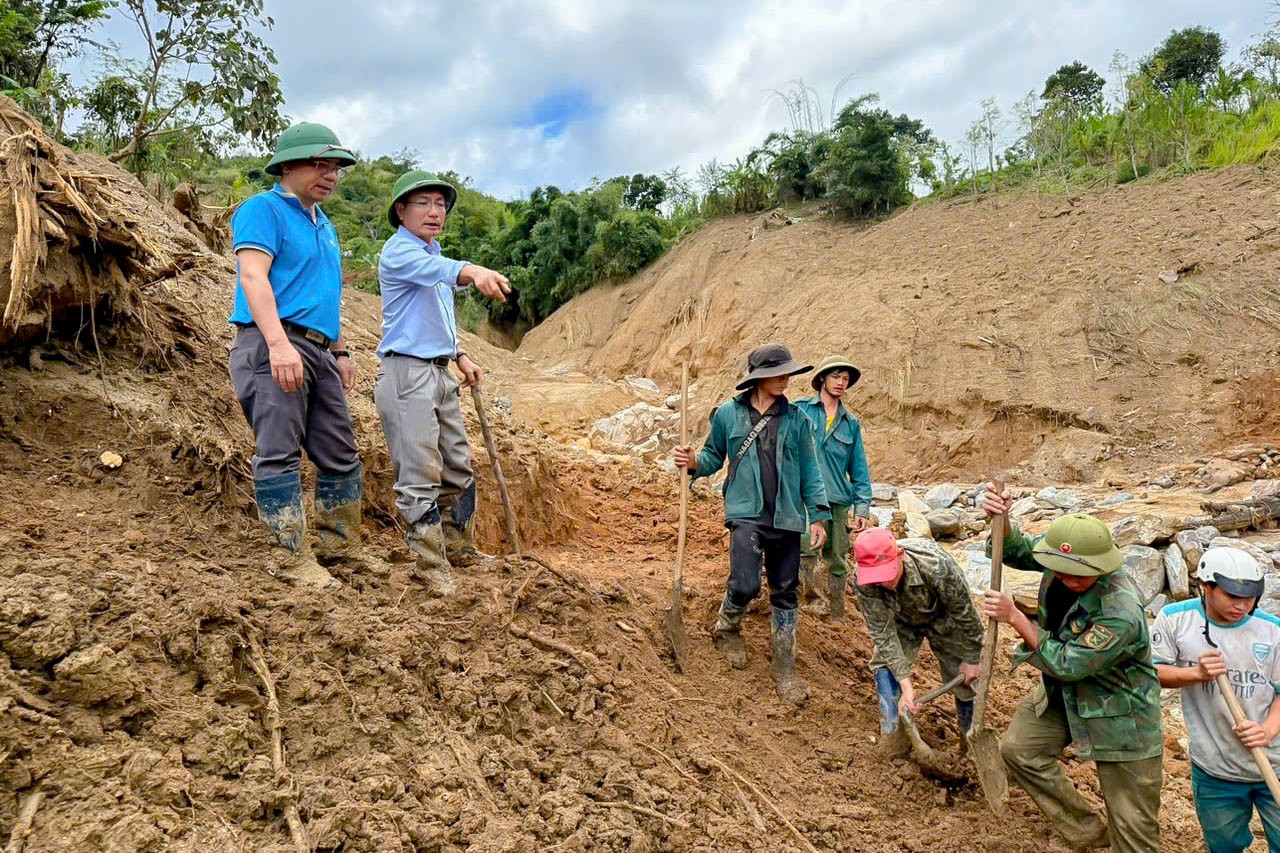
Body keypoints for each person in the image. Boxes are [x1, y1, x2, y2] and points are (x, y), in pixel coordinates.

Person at [980, 483, 1162, 853]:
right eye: (1059, 572)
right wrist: (1002, 519)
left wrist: (1015, 617)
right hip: (1064, 697)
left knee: (1134, 830)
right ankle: (1088, 834)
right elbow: (1015, 549)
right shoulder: (1065, 563)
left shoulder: (1120, 611)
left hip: (1120, 714)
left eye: (1078, 575)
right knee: (1020, 750)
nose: (1067, 579)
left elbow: (1067, 663)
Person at [228, 122, 364, 589]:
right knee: (279, 452)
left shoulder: (322, 224)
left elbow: (323, 295)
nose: (331, 175)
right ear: (288, 165)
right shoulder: (263, 210)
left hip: (319, 349)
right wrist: (278, 344)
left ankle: (339, 547)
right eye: (320, 165)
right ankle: (289, 559)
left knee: (340, 451)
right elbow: (253, 278)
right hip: (274, 343)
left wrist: (341, 351)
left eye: (336, 168)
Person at [375, 171, 511, 595]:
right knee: (418, 471)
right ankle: (429, 566)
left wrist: (459, 355)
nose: (435, 212)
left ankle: (458, 545)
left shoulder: (431, 253)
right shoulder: (400, 253)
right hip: (406, 374)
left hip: (438, 370)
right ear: (401, 211)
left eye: (440, 204)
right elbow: (444, 271)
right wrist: (474, 271)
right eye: (424, 204)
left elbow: (437, 315)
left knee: (457, 464)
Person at [672, 344, 830, 704]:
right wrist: (693, 461)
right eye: (779, 373)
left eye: (788, 373)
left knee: (785, 591)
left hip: (787, 518)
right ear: (758, 377)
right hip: (746, 513)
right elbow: (714, 455)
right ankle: (727, 628)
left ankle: (785, 667)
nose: (786, 379)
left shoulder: (798, 420)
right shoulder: (728, 414)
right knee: (744, 583)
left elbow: (811, 471)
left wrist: (818, 516)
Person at [1152, 547, 1280, 853]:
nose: (1241, 606)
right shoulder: (1175, 619)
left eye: (1249, 598)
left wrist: (1268, 730)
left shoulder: (1271, 630)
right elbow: (1151, 672)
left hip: (1274, 764)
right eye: (1231, 596)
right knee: (1224, 845)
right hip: (1215, 768)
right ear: (1205, 587)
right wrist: (1196, 673)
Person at [850, 527, 983, 753]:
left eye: (889, 574)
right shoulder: (863, 580)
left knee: (963, 678)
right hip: (901, 616)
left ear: (900, 555)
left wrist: (971, 658)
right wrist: (905, 683)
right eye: (878, 578)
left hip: (944, 615)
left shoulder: (938, 568)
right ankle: (893, 739)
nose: (885, 583)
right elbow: (882, 630)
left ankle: (969, 745)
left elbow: (966, 615)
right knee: (885, 665)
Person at [795, 355, 872, 621]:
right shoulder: (800, 410)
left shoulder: (850, 423)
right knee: (806, 546)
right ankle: (813, 603)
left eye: (846, 379)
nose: (841, 383)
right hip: (804, 498)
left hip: (838, 500)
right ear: (822, 379)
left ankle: (837, 613)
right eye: (836, 377)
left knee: (837, 556)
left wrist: (862, 507)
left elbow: (860, 469)